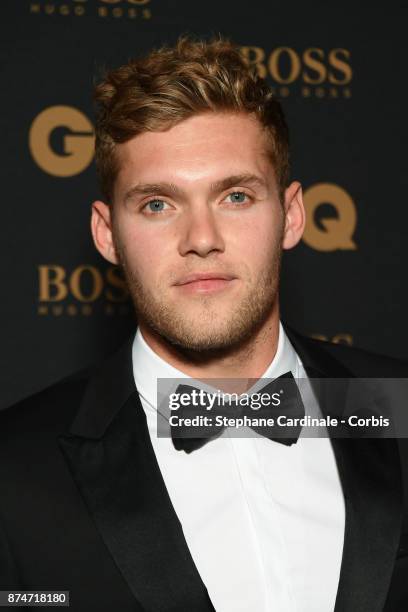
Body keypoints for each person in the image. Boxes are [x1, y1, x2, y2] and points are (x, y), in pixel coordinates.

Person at [0, 36, 407, 612]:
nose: (201, 240)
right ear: (107, 234)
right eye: (157, 205)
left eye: (236, 196)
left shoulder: (398, 409)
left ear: (290, 215)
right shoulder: (14, 473)